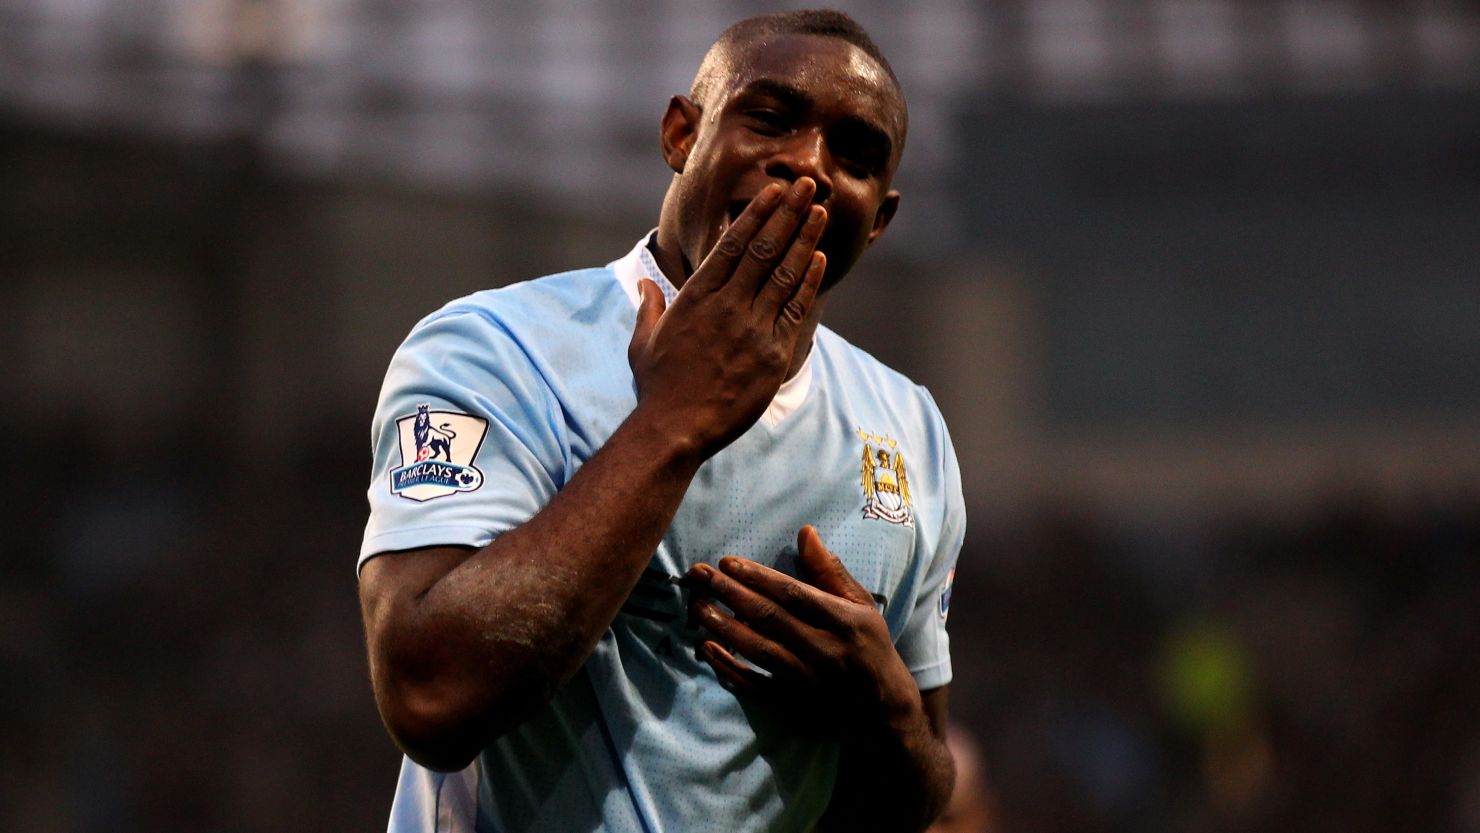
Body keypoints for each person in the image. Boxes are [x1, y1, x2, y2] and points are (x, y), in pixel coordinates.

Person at [357, 10, 964, 832]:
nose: (808, 164)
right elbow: (431, 695)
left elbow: (910, 796)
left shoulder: (910, 430)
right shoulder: (493, 352)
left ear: (880, 218)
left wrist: (884, 711)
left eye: (853, 155)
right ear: (682, 134)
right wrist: (675, 417)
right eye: (771, 118)